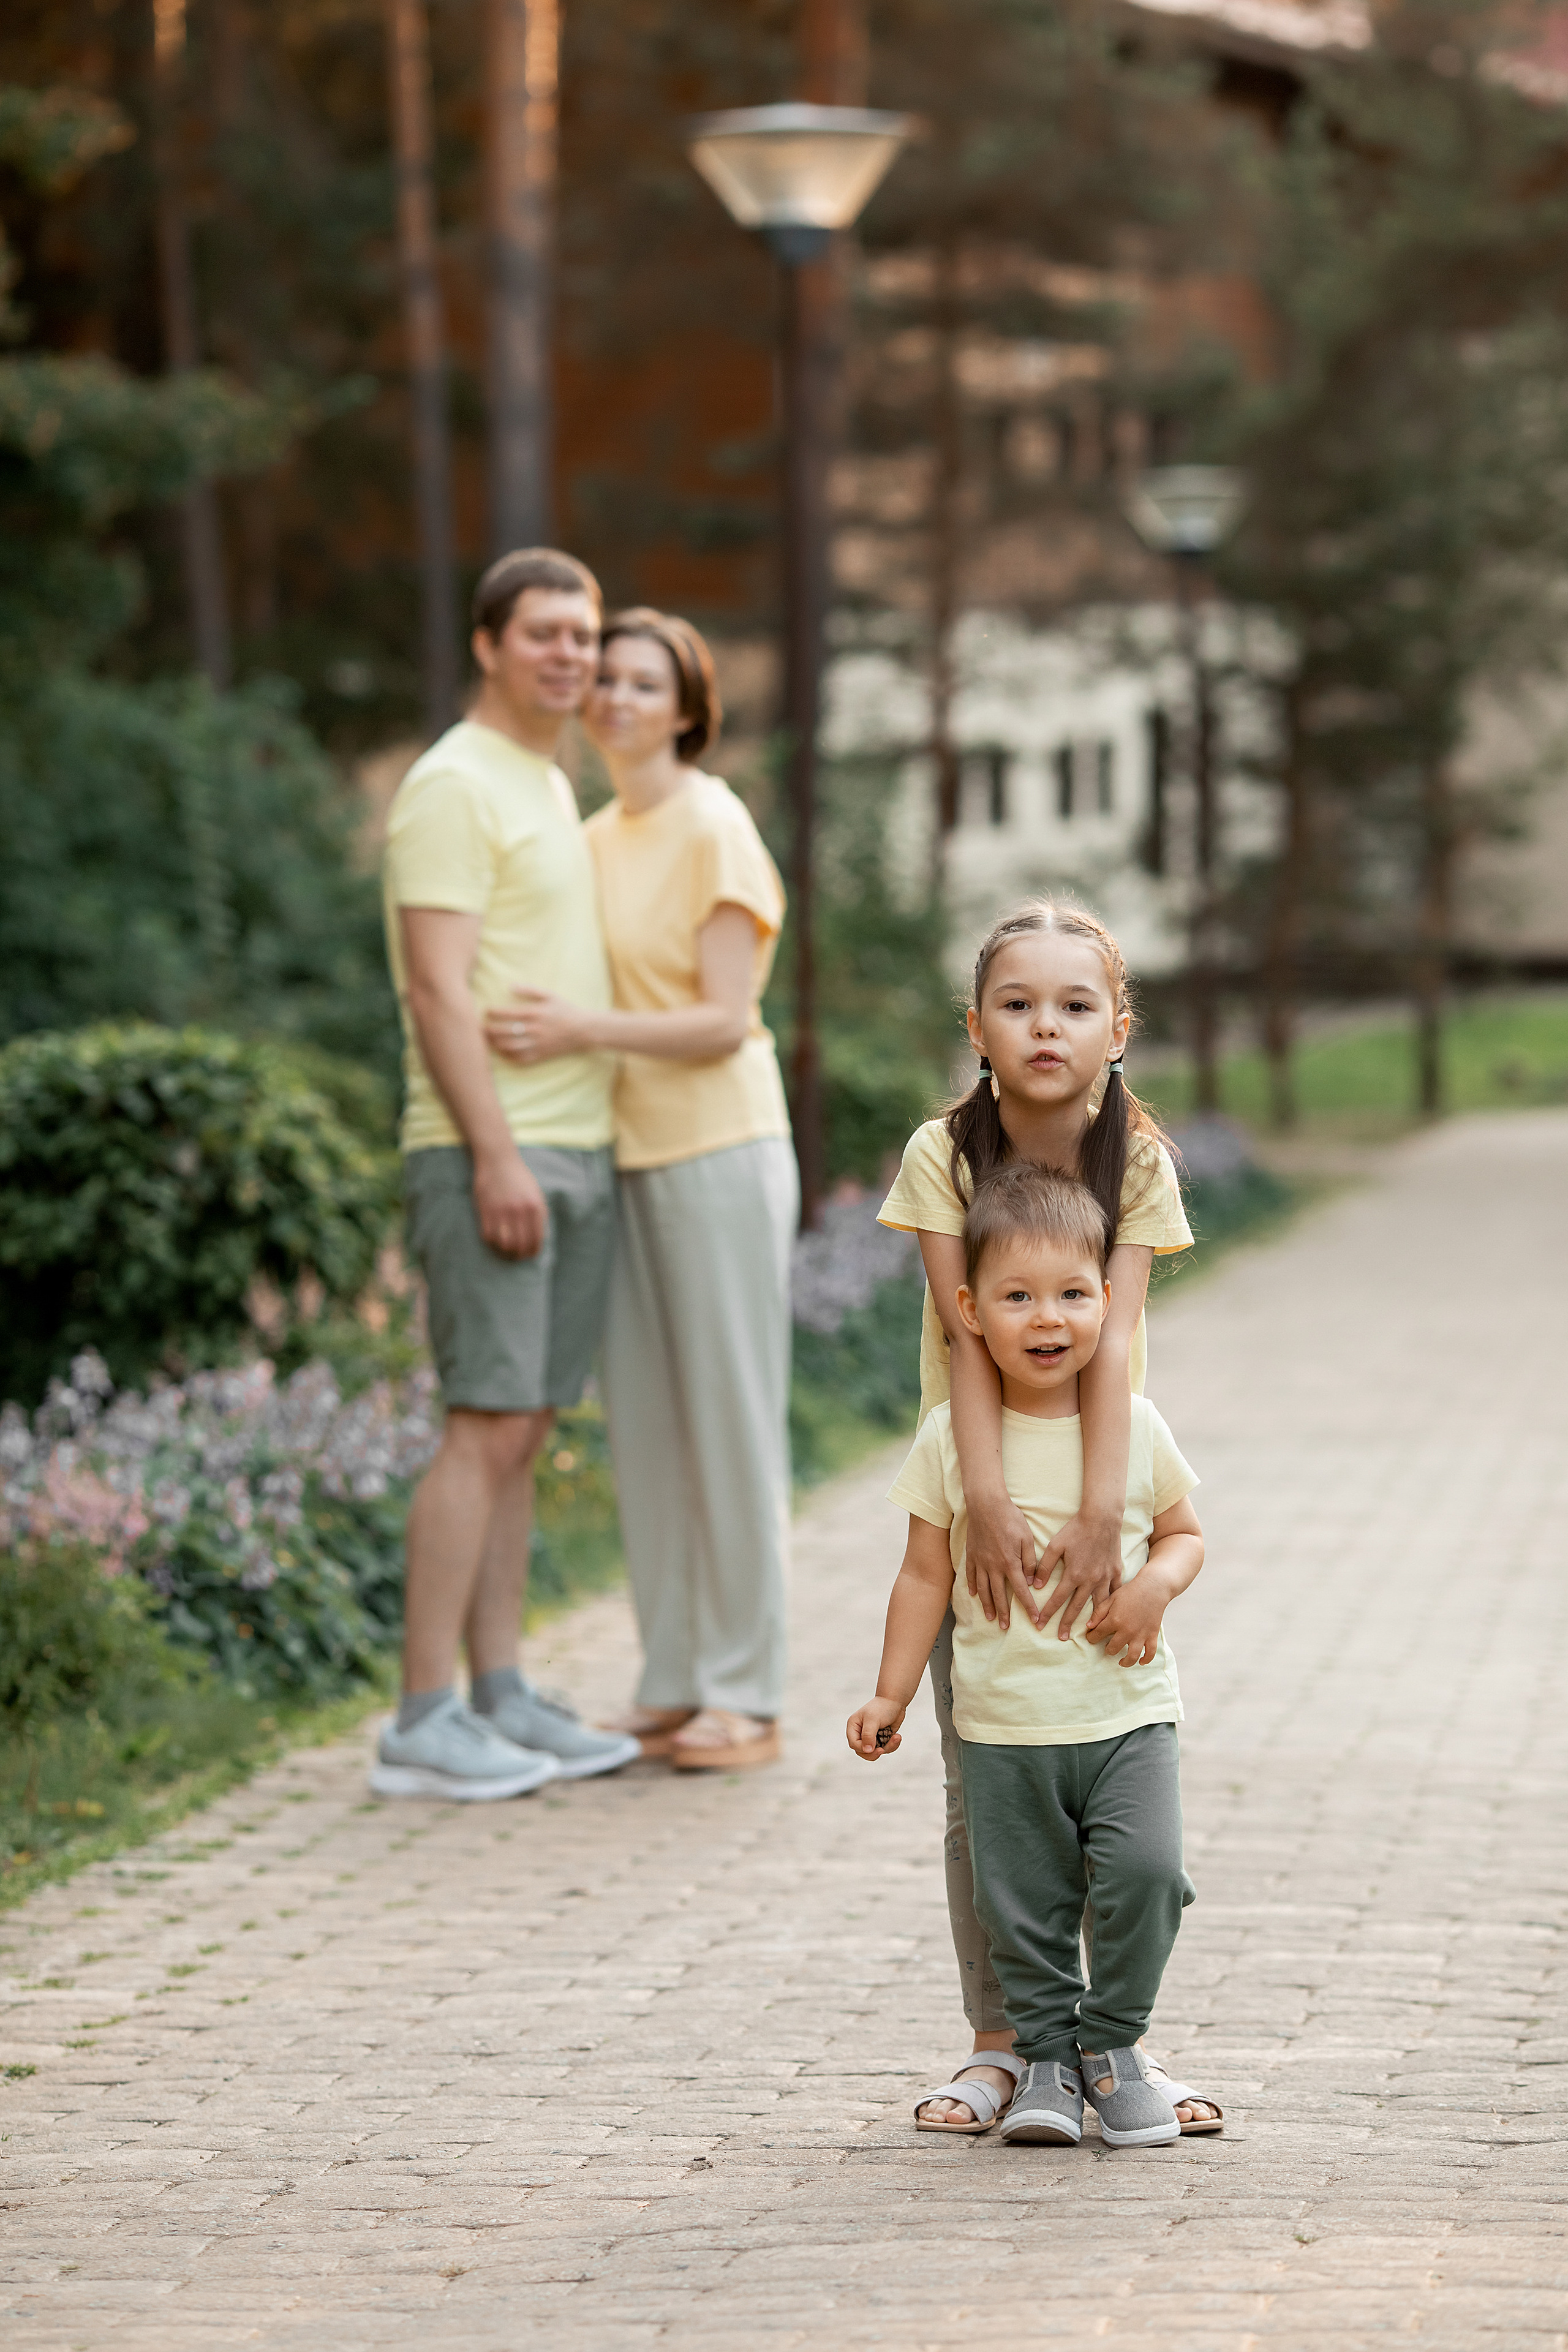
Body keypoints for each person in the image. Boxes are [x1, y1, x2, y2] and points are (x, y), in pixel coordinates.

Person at [877, 899, 1223, 2130]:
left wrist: (1096, 1519)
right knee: (985, 1782)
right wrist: (979, 1505)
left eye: (1075, 1004)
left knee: (1108, 1776)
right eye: (1018, 1003)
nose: (1045, 1025)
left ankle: (1110, 2048)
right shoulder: (943, 1153)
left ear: (1116, 1029)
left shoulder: (1132, 1155)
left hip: (1095, 1476)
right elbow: (963, 1344)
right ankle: (1001, 2041)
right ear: (977, 1026)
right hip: (978, 1476)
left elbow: (1115, 1338)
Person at [484, 608, 794, 1771]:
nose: (613, 695)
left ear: (687, 709)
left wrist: (574, 1028)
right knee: (652, 1434)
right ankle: (671, 1679)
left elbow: (724, 1021)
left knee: (730, 1422)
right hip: (618, 1153)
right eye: (602, 677)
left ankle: (747, 1694)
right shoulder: (590, 833)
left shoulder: (713, 825)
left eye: (641, 681)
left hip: (717, 1149)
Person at [848, 1165, 1207, 2147]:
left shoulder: (1134, 1427)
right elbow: (924, 1574)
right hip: (1004, 1727)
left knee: (1149, 1873)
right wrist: (889, 1694)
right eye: (1017, 1296)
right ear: (969, 1309)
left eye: (1072, 1294)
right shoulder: (949, 1439)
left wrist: (1153, 1587)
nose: (1048, 1318)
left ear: (1108, 1299)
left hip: (1127, 1714)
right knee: (1023, 1908)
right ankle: (1046, 2059)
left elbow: (1185, 1536)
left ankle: (1115, 2043)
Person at [371, 548, 642, 1800]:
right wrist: (490, 1154)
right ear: (487, 645)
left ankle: (497, 1691)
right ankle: (423, 1717)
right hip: (495, 1144)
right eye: (542, 633)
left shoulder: (541, 774)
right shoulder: (450, 784)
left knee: (522, 1429)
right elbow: (435, 987)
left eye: (582, 636)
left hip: (574, 1140)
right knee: (481, 1422)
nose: (569, 656)